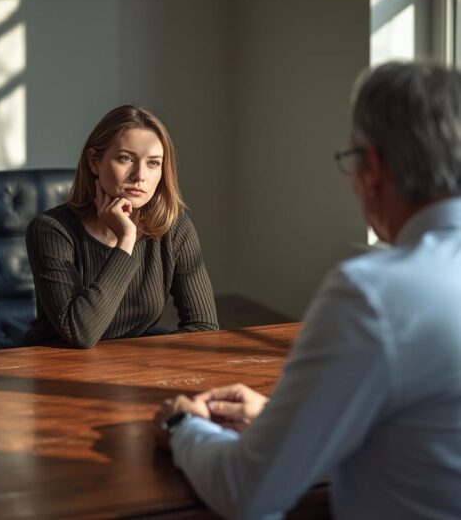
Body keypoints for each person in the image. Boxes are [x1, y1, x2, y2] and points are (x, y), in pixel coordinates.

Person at [155, 61, 461, 519]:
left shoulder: (373, 295)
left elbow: (248, 491)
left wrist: (183, 426)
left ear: (372, 167)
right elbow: (423, 427)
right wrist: (288, 416)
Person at [23, 105, 218, 348]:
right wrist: (126, 239)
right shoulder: (51, 230)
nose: (140, 175)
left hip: (131, 367)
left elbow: (205, 328)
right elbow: (80, 333)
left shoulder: (174, 227)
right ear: (94, 161)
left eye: (153, 163)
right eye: (126, 158)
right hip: (56, 366)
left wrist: (149, 367)